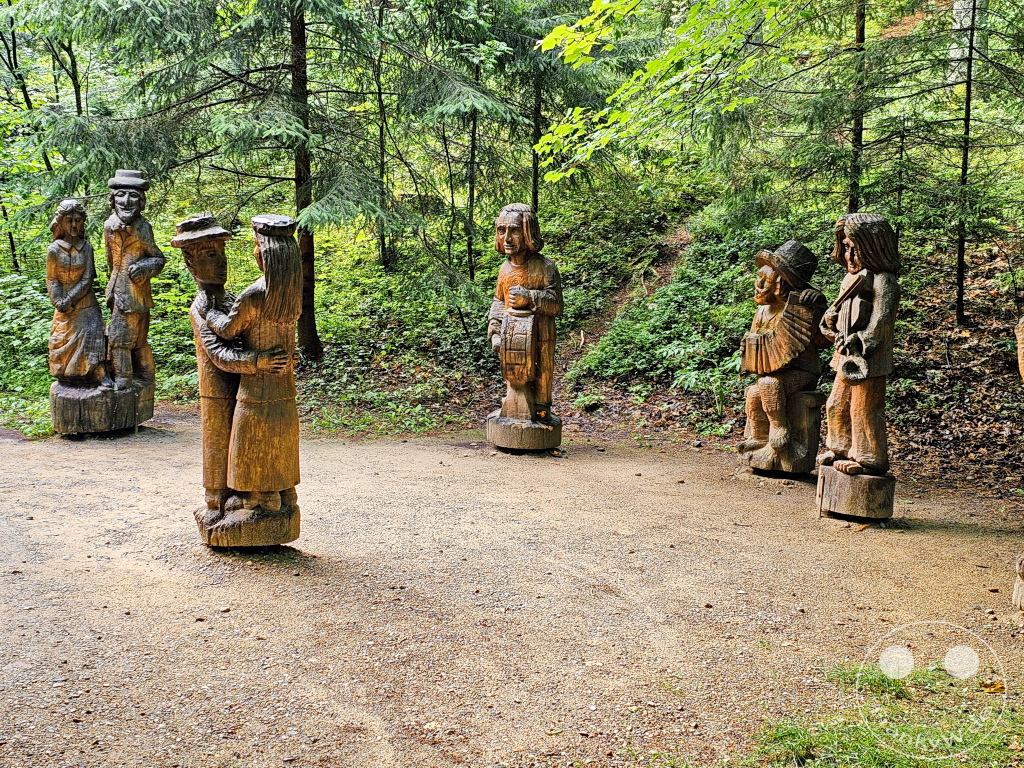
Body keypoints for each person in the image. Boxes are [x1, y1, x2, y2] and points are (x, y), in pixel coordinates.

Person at [171, 213, 289, 518]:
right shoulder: (201, 307)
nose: (221, 261)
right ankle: (217, 501)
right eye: (211, 255)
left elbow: (244, 331)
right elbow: (219, 354)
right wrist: (258, 361)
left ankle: (254, 493)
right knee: (219, 442)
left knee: (242, 445)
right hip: (218, 391)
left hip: (242, 386)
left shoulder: (230, 299)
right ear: (191, 263)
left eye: (221, 253)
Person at [204, 215, 301, 513]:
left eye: (257, 246)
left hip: (257, 385)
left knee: (251, 439)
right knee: (280, 435)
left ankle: (258, 496)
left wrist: (210, 315)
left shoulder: (256, 294)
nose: (254, 252)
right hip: (284, 384)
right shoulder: (291, 294)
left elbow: (228, 329)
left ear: (266, 253)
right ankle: (283, 491)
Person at [818, 212, 901, 476]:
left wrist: (862, 339)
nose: (849, 256)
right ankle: (839, 447)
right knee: (835, 404)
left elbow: (882, 321)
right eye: (845, 248)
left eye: (855, 249)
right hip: (845, 357)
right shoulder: (851, 279)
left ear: (874, 248)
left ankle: (869, 458)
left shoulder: (883, 280)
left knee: (863, 408)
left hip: (869, 361)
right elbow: (836, 319)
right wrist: (830, 323)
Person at [736, 240, 828, 463]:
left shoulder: (801, 306)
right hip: (770, 373)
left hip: (803, 372)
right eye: (758, 277)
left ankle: (780, 431)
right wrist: (746, 349)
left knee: (768, 385)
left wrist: (818, 308)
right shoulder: (761, 312)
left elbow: (823, 341)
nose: (757, 284)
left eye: (764, 280)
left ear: (781, 284)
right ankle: (758, 436)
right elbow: (754, 340)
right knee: (754, 393)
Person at [487, 203, 563, 422]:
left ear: (528, 232)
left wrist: (530, 297)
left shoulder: (545, 267)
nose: (507, 238)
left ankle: (540, 412)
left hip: (541, 337)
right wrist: (495, 331)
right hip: (512, 338)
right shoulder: (505, 269)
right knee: (513, 377)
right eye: (502, 231)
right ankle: (513, 408)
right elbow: (499, 300)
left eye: (514, 230)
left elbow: (557, 304)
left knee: (540, 379)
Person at [104, 169, 165, 390]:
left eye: (133, 196)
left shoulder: (142, 227)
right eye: (121, 195)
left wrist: (144, 267)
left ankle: (136, 378)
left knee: (134, 340)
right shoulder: (109, 225)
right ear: (112, 199)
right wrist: (111, 287)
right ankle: (126, 379)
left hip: (137, 292)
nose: (126, 201)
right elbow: (110, 260)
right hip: (118, 292)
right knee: (121, 339)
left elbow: (158, 258)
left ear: (141, 202)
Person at [46, 199, 109, 388]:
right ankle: (66, 376)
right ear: (60, 223)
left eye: (78, 220)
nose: (74, 225)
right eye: (69, 220)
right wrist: (58, 300)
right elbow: (52, 279)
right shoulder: (54, 250)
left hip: (85, 303)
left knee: (94, 333)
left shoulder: (86, 247)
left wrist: (70, 298)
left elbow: (88, 277)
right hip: (63, 307)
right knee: (61, 339)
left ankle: (99, 373)